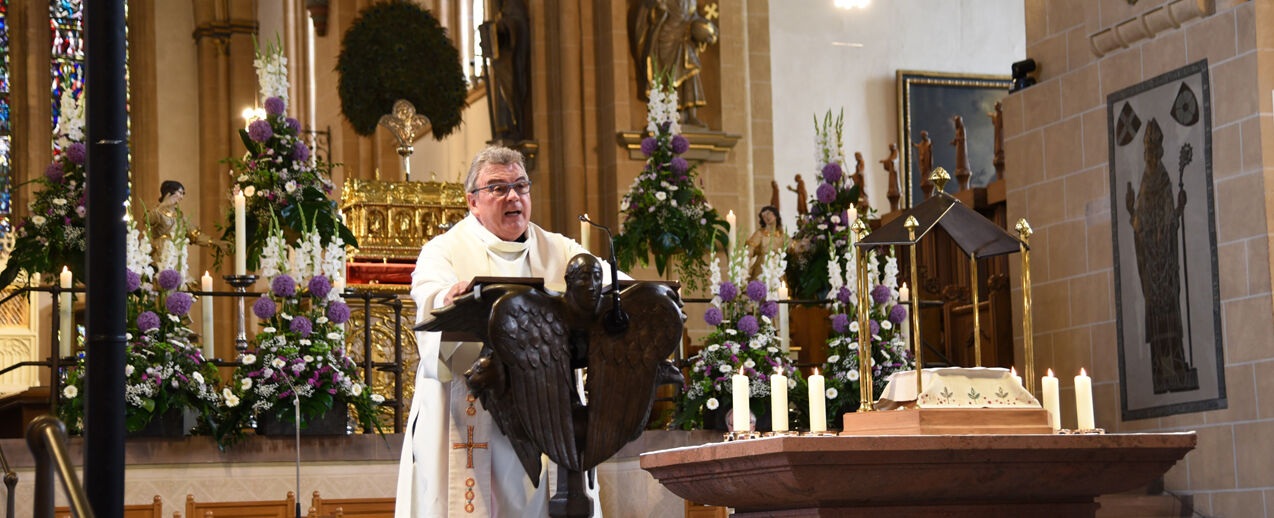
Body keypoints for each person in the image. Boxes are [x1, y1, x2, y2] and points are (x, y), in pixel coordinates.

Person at [398, 146, 615, 517]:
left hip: (549, 418)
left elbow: (615, 286)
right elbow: (429, 294)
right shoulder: (444, 249)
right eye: (498, 188)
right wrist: (449, 296)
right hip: (470, 410)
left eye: (521, 186)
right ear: (473, 202)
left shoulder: (559, 249)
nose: (513, 196)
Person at [744, 206, 785, 280]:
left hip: (777, 268)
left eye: (768, 214)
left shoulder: (782, 235)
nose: (767, 217)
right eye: (763, 216)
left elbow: (794, 247)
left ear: (775, 215)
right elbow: (750, 248)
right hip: (762, 268)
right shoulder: (760, 233)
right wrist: (746, 262)